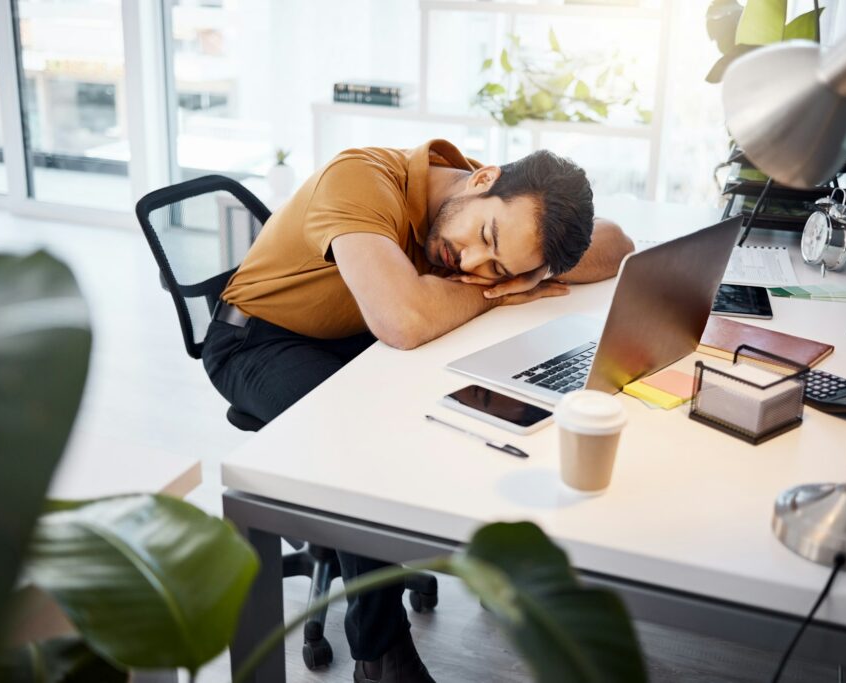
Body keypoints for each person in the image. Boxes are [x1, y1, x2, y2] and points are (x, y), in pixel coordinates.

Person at [202, 139, 633, 683]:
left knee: (465, 402)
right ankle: (380, 656)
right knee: (362, 441)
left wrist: (532, 272)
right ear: (483, 180)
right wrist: (499, 290)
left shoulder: (492, 202)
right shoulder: (360, 178)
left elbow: (618, 245)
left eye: (497, 265)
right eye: (485, 239)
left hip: (352, 335)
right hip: (258, 340)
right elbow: (403, 319)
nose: (472, 263)